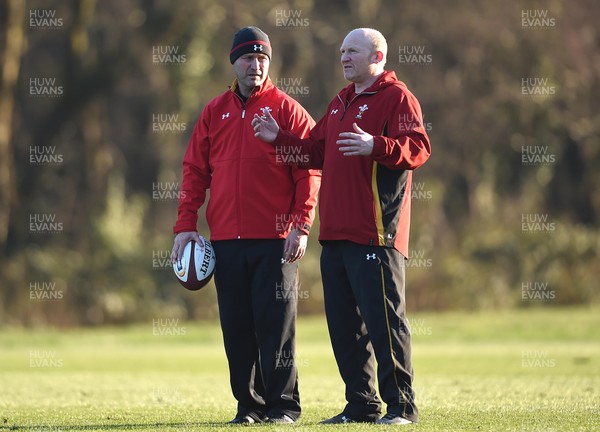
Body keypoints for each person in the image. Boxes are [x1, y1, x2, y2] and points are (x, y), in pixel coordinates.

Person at [252, 28, 431, 425]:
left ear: (377, 56)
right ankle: (362, 406)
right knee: (346, 328)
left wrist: (376, 146)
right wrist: (276, 137)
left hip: (375, 234)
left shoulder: (396, 97)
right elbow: (315, 151)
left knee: (385, 324)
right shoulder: (340, 102)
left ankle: (402, 407)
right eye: (342, 51)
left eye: (353, 51)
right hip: (334, 236)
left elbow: (418, 148)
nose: (344, 57)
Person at [171, 26, 321, 425]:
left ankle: (284, 407)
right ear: (233, 62)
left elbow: (310, 170)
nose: (255, 65)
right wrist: (186, 225)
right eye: (248, 58)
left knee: (277, 327)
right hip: (225, 242)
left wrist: (300, 225)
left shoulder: (287, 110)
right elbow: (194, 172)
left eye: (262, 58)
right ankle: (249, 407)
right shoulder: (213, 112)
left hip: (275, 240)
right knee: (237, 328)